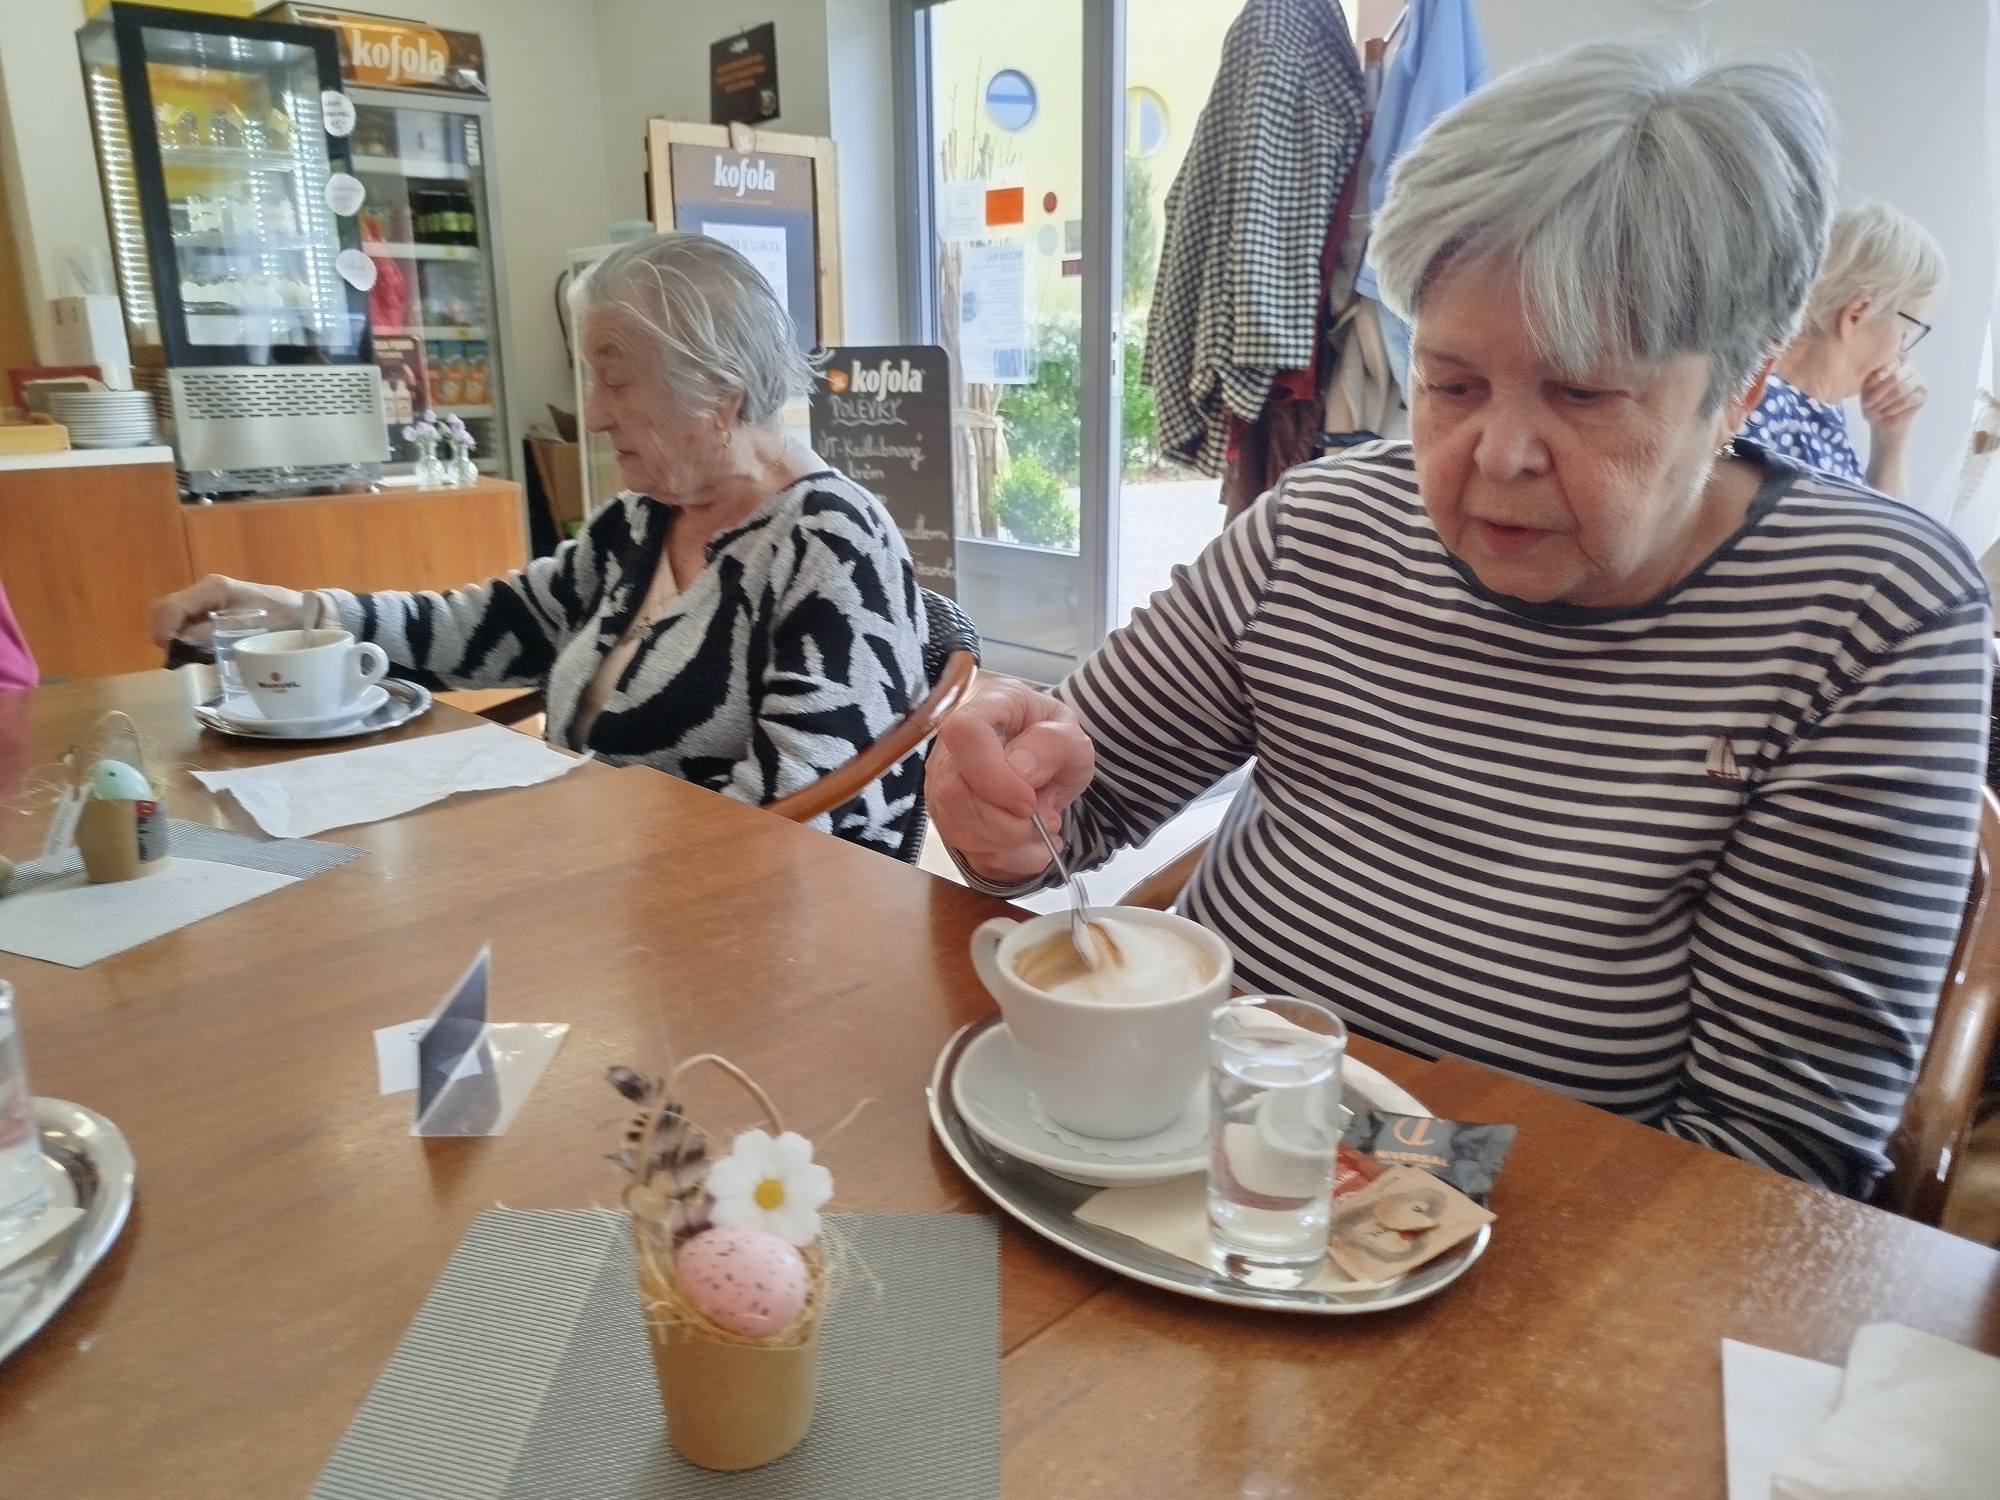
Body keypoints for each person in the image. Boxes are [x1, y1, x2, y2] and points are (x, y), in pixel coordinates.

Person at [926, 42, 1992, 1198]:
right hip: (1186, 1148)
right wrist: (1000, 807)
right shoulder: (1324, 524)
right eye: (1449, 383)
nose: (1497, 456)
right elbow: (1077, 806)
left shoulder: (1867, 616)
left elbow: (1769, 1161)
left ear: (1739, 388)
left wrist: (1329, 1153)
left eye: (1582, 392)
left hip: (1539, 1232)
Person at [153, 232, 929, 857]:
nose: (592, 414)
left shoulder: (830, 545)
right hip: (591, 878)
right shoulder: (640, 520)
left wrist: (581, 883)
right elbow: (491, 624)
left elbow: (807, 815)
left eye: (615, 382)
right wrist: (299, 616)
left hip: (718, 930)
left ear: (719, 396)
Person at [1738, 203, 1945, 499]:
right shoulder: (1756, 404)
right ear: (1856, 315)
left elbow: (1879, 523)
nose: (1902, 355)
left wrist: (1892, 436)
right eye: (1904, 333)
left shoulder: (1817, 410)